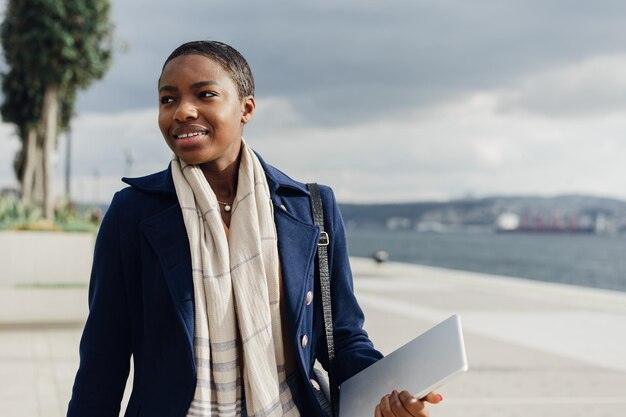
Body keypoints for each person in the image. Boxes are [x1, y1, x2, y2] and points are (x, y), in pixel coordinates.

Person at [67, 40, 442, 417]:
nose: (182, 111)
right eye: (168, 100)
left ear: (246, 108)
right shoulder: (133, 213)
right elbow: (104, 358)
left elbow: (342, 338)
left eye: (205, 94)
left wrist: (391, 395)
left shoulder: (310, 208)